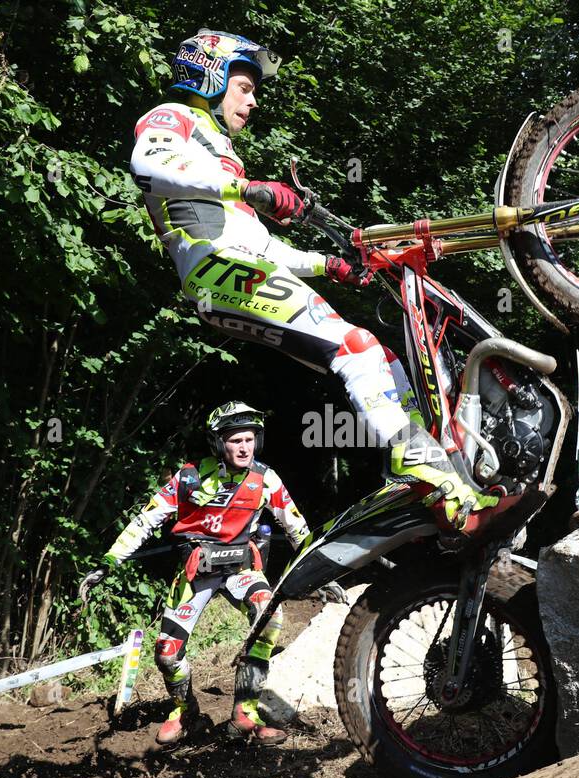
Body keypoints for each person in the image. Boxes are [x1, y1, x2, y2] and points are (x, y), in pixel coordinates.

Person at [128, 29, 497, 531]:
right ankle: (423, 471)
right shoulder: (175, 118)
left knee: (379, 357)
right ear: (210, 75)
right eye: (244, 86)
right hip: (212, 274)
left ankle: (424, 473)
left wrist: (330, 265)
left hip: (234, 266)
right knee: (356, 348)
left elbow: (258, 246)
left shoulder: (217, 153)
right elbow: (147, 163)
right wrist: (250, 187)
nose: (253, 101)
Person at [78, 402, 310, 746]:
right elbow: (146, 520)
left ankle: (246, 712)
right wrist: (109, 562)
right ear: (218, 443)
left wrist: (321, 571)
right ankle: (186, 712)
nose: (245, 447)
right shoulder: (189, 477)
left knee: (270, 617)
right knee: (166, 653)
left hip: (241, 569)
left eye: (250, 439)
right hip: (195, 574)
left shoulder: (266, 478)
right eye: (235, 440)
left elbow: (297, 528)